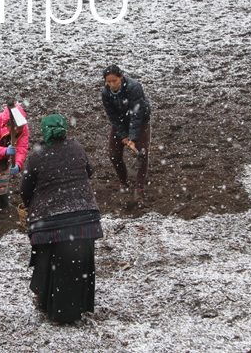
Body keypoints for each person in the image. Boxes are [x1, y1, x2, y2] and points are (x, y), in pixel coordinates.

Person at [20, 114, 103, 324]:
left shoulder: (37, 155)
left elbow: (26, 189)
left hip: (50, 222)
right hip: (85, 218)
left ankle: (49, 305)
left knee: (47, 261)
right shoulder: (77, 148)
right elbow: (88, 172)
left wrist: (30, 206)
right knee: (81, 264)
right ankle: (79, 305)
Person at [101, 65, 152, 198]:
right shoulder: (105, 93)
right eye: (109, 82)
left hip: (140, 121)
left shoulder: (134, 88)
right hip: (121, 121)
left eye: (114, 81)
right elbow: (112, 116)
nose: (112, 84)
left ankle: (139, 186)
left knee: (142, 153)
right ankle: (123, 181)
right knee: (114, 154)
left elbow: (137, 114)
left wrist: (133, 138)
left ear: (121, 77)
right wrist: (123, 135)